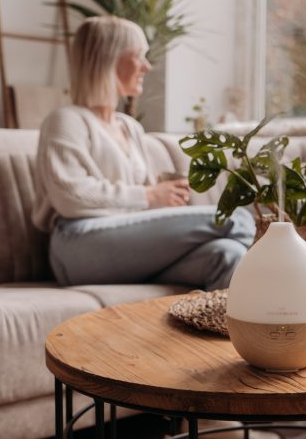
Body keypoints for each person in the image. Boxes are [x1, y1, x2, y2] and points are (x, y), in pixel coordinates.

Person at [32, 16, 255, 290]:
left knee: (227, 254)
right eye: (138, 56)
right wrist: (149, 195)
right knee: (236, 218)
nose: (147, 67)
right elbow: (71, 198)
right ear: (108, 59)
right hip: (79, 244)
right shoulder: (66, 121)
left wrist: (163, 197)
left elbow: (144, 199)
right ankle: (282, 302)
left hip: (130, 246)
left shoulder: (130, 127)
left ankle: (228, 331)